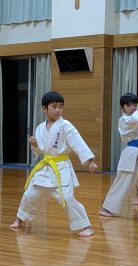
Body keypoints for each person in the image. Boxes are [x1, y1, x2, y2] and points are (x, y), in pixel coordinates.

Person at [9, 91, 98, 237]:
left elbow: (78, 142)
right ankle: (20, 219)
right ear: (45, 109)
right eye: (54, 107)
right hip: (45, 167)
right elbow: (39, 151)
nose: (58, 110)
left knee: (67, 198)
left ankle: (87, 226)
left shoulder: (66, 125)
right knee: (30, 194)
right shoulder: (40, 128)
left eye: (60, 107)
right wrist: (34, 144)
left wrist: (90, 160)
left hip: (61, 168)